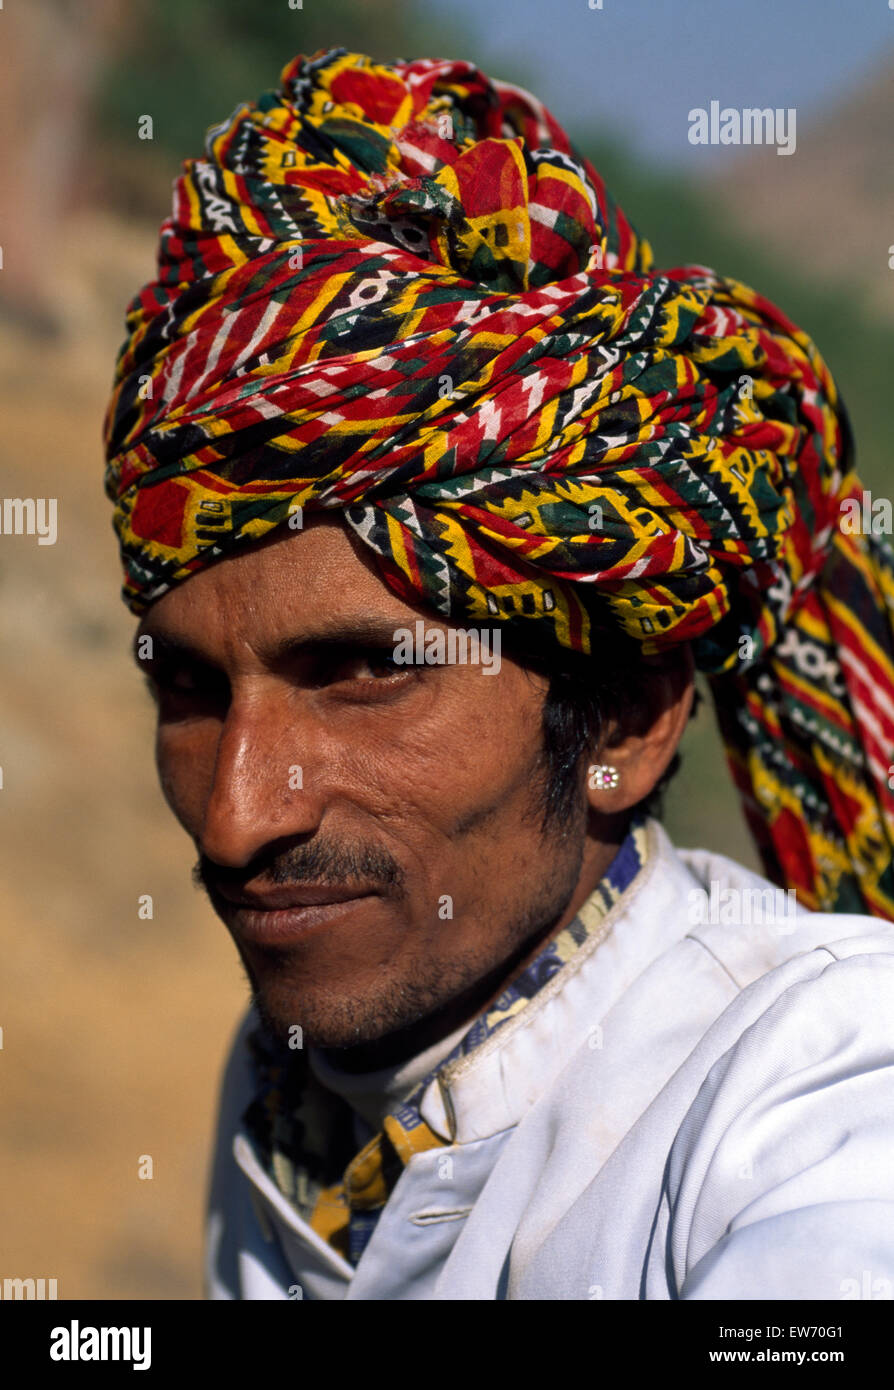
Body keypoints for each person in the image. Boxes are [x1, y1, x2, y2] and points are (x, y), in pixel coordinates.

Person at [103, 48, 894, 1300]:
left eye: (363, 673)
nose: (238, 813)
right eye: (191, 690)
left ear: (626, 718)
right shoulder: (294, 1083)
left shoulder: (822, 1092)